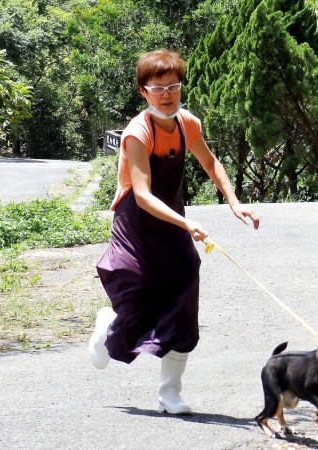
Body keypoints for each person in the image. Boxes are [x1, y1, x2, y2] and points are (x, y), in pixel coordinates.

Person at [89, 49, 260, 415]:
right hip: (136, 225)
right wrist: (187, 223)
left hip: (172, 224)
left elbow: (210, 162)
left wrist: (233, 200)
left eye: (174, 87)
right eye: (158, 88)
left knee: (184, 292)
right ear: (143, 91)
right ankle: (108, 328)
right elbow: (143, 194)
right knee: (138, 294)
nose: (167, 94)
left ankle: (170, 393)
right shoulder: (138, 133)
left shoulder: (187, 124)